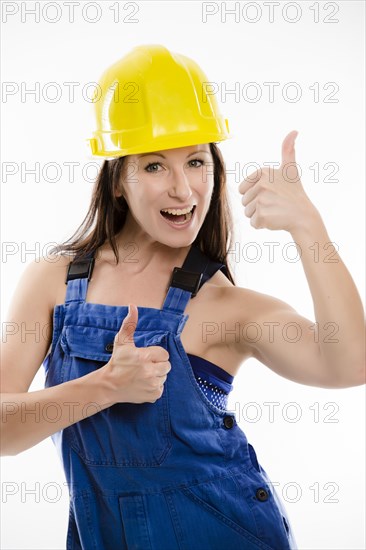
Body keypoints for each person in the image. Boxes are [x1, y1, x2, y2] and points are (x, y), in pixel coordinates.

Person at [1, 44, 364, 550]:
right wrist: (105, 387)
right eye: (154, 167)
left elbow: (350, 365)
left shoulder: (225, 307)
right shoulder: (53, 281)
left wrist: (309, 227)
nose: (183, 189)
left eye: (196, 161)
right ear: (119, 181)